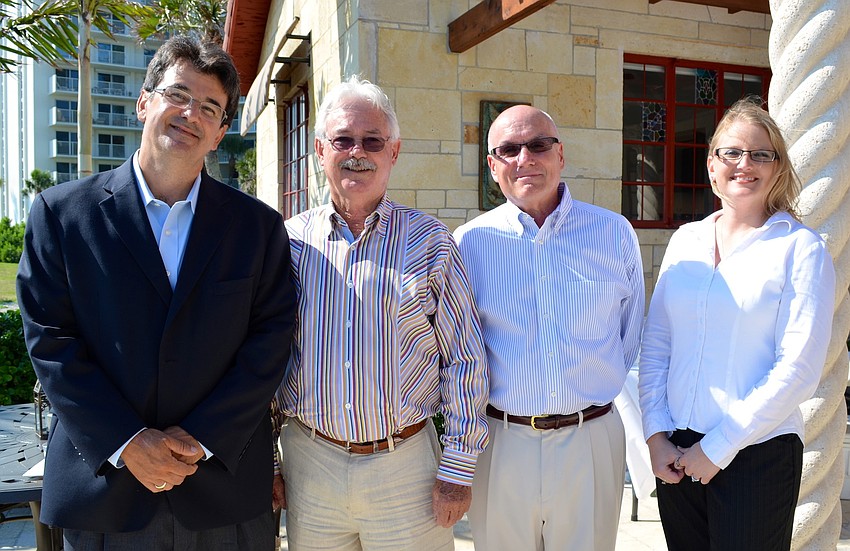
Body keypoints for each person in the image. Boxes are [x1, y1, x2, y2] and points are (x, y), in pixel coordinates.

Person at [17, 36, 296, 550]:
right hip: (106, 492)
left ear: (220, 133)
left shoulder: (258, 228)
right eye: (178, 95)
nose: (190, 114)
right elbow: (50, 341)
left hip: (223, 491)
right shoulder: (61, 215)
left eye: (209, 107)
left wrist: (202, 439)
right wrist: (126, 441)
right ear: (144, 101)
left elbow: (271, 341)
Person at [272, 75, 489, 550]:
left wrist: (458, 469)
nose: (358, 152)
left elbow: (464, 359)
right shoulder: (287, 242)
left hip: (405, 467)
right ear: (319, 150)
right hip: (311, 464)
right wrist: (269, 463)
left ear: (394, 151)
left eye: (373, 141)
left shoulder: (430, 242)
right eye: (343, 140)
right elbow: (264, 357)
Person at [638, 98, 836, 551]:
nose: (744, 164)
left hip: (756, 453)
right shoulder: (685, 240)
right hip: (677, 452)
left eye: (760, 154)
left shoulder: (800, 248)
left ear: (777, 167)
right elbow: (657, 347)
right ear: (712, 164)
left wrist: (719, 446)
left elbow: (799, 369)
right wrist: (655, 435)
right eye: (731, 152)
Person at [454, 104, 645, 550]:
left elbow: (630, 336)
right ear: (493, 166)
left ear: (560, 154)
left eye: (538, 145)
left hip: (590, 438)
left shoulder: (614, 234)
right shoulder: (469, 244)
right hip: (500, 442)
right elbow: (461, 349)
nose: (525, 158)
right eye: (509, 149)